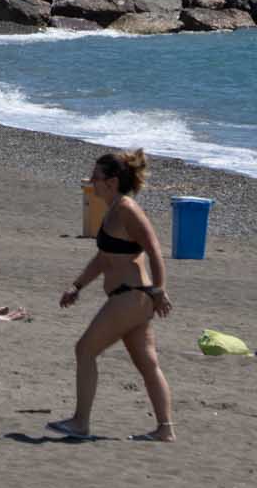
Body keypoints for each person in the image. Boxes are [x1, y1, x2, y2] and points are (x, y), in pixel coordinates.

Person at [51, 150, 175, 442]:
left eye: (96, 177)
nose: (91, 181)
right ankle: (165, 429)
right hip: (130, 298)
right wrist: (77, 286)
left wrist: (160, 289)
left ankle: (80, 423)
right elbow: (104, 258)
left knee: (85, 350)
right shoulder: (113, 210)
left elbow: (155, 251)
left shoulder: (128, 209)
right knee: (147, 364)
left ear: (112, 181)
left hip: (132, 296)